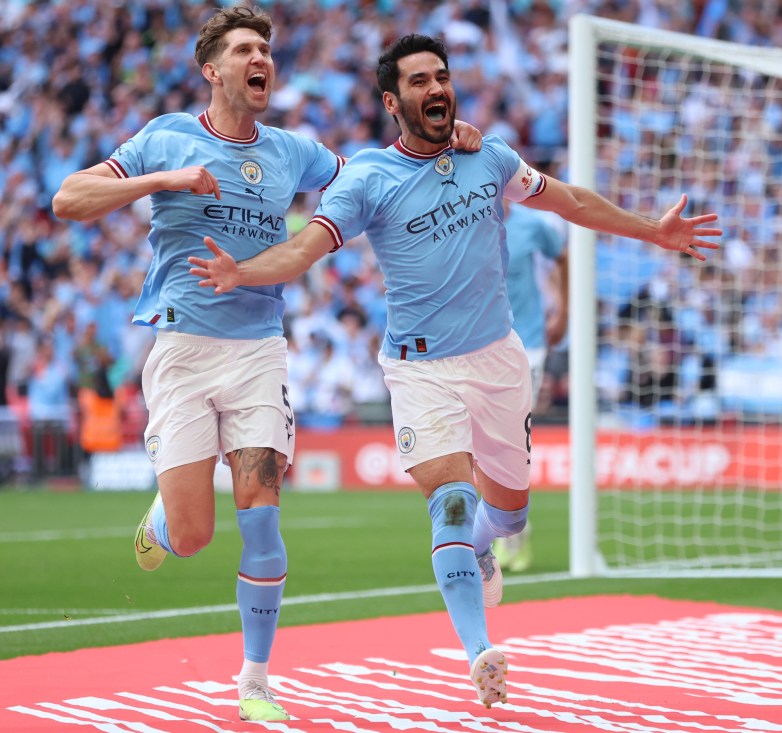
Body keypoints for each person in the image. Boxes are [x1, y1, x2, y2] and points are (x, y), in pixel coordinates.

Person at [188, 33, 721, 709]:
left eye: (442, 77)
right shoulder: (369, 181)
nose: (436, 88)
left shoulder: (489, 155)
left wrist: (652, 229)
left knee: (508, 510)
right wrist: (242, 272)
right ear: (392, 101)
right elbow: (304, 250)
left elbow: (568, 202)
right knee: (451, 500)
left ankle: (484, 547)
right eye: (418, 81)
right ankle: (480, 650)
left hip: (500, 360)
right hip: (420, 370)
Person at [51, 9, 481, 723]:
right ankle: (163, 521)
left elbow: (375, 176)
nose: (264, 60)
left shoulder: (291, 151)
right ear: (212, 70)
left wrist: (445, 146)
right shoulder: (167, 134)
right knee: (193, 535)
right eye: (247, 49)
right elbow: (69, 198)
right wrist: (166, 178)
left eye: (268, 50)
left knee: (261, 515)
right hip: (183, 348)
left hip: (258, 349)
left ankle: (255, 679)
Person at [492, 199, 568, 572]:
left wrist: (563, 311)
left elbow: (563, 256)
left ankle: (510, 531)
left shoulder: (533, 225)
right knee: (483, 446)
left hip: (529, 344)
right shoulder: (466, 220)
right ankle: (507, 524)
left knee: (509, 441)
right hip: (481, 344)